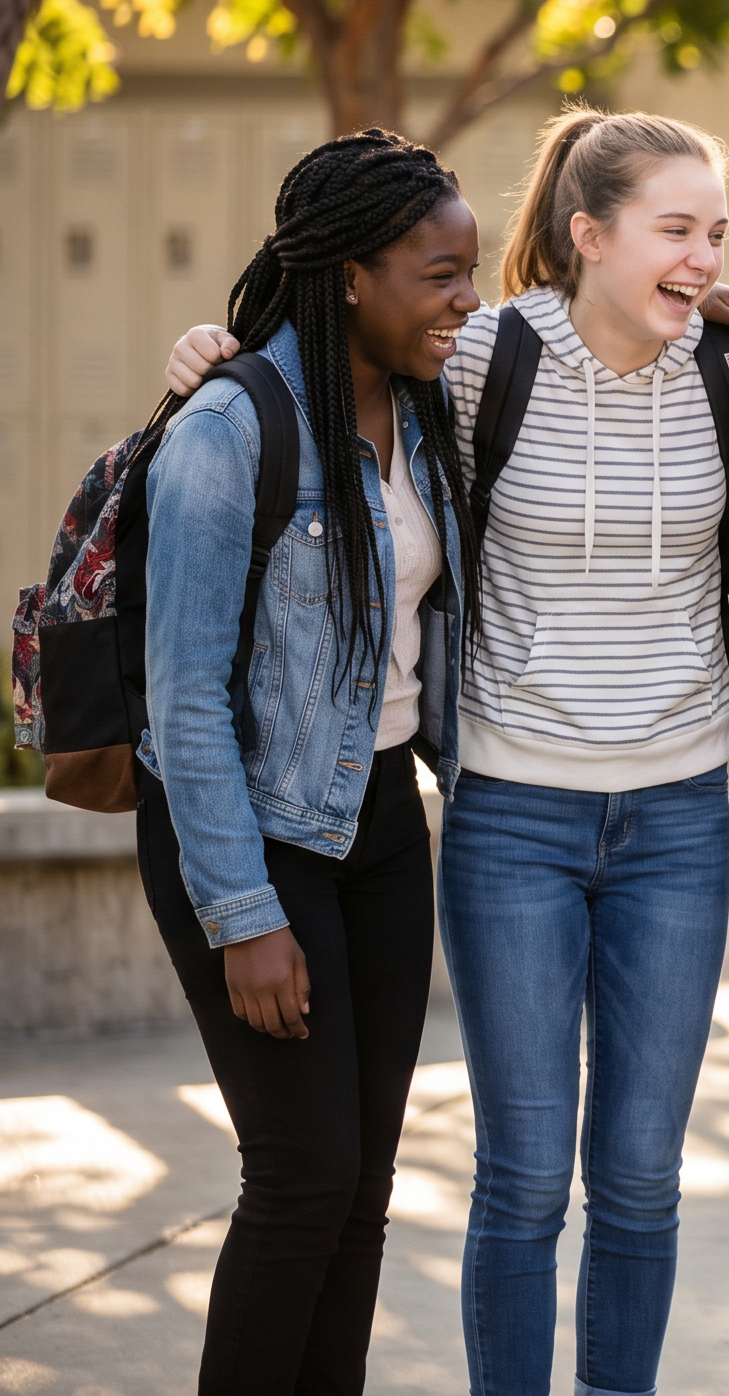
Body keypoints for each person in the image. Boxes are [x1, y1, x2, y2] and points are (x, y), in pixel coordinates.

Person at [167, 107, 729, 1396]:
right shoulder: (479, 353)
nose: (702, 256)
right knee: (513, 1175)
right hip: (512, 814)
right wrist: (212, 360)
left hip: (675, 812)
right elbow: (320, 362)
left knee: (636, 1178)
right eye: (674, 229)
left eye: (714, 233)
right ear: (586, 234)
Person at [139, 129, 479, 1392]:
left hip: (384, 819)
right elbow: (182, 702)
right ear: (350, 273)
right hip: (252, 829)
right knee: (300, 1179)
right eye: (439, 275)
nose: (466, 300)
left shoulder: (424, 406)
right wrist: (241, 913)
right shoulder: (230, 428)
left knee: (363, 1188)